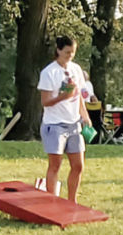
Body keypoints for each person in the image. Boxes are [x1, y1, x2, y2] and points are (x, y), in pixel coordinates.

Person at [35, 37, 94, 203]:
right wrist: (62, 96)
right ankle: (52, 202)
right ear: (59, 50)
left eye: (73, 52)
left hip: (74, 124)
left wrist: (85, 115)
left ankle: (72, 201)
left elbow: (79, 97)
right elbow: (45, 102)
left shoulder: (76, 69)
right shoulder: (49, 72)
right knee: (55, 165)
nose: (70, 55)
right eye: (67, 52)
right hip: (55, 124)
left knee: (78, 165)